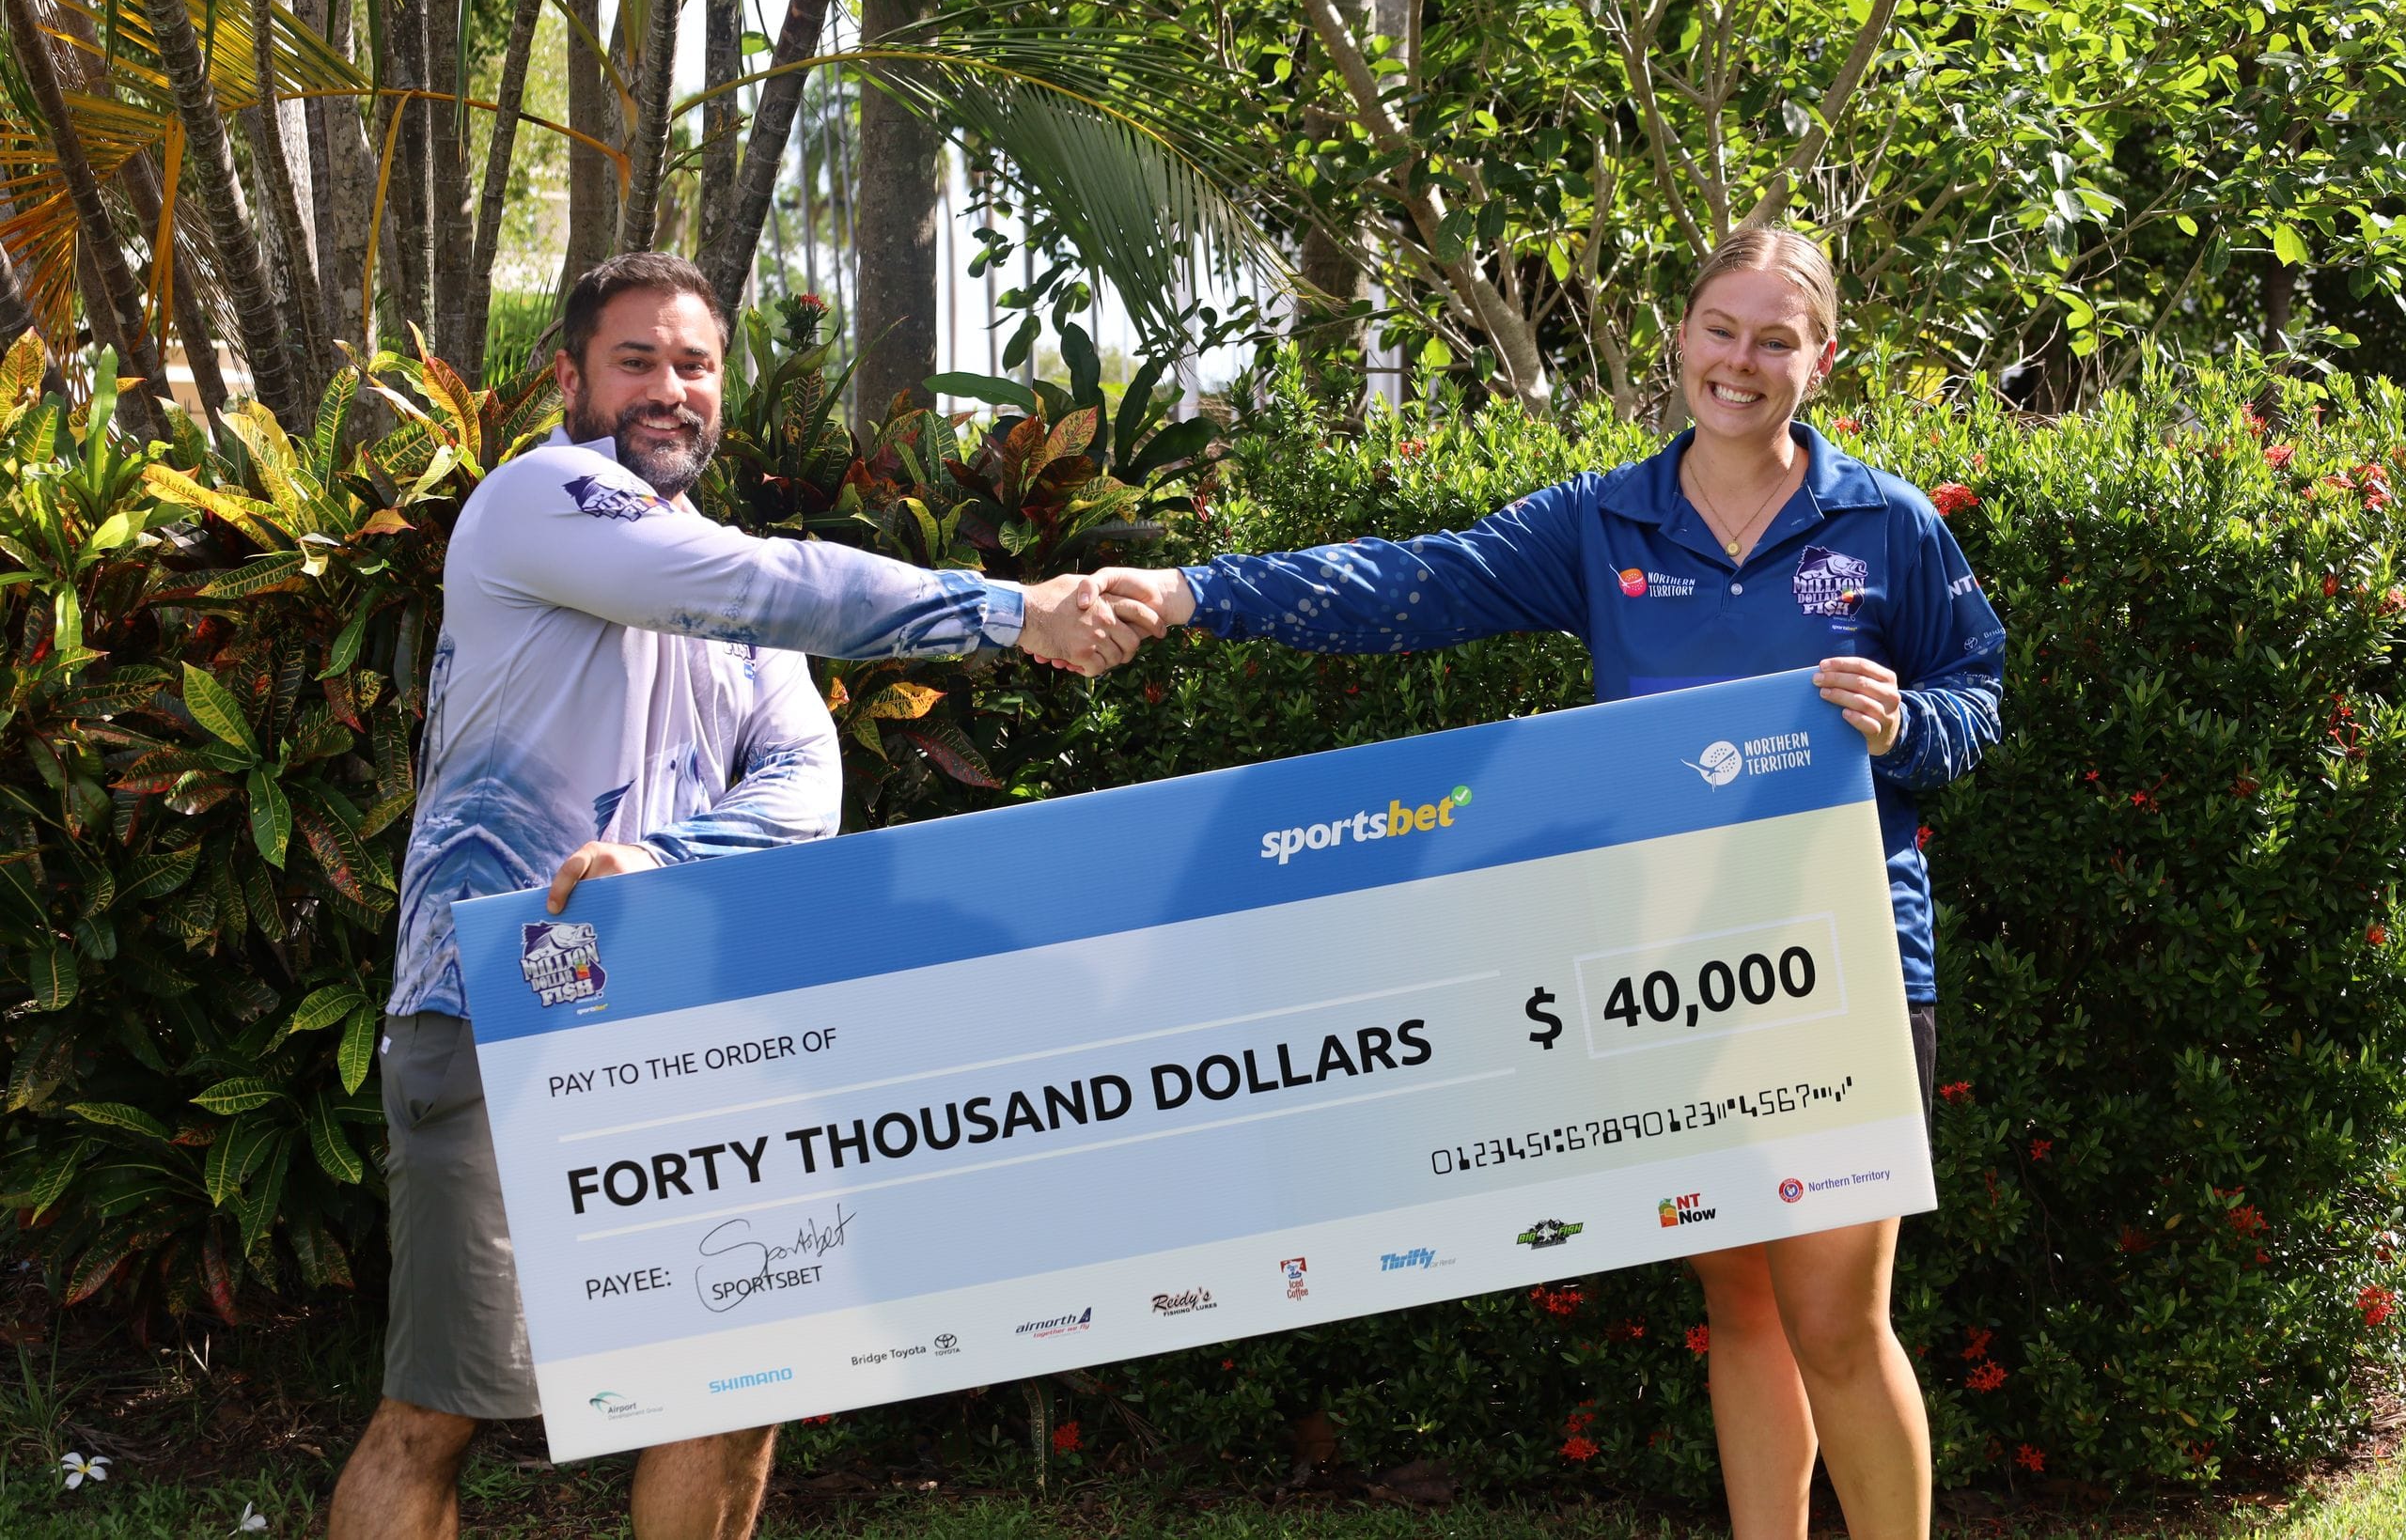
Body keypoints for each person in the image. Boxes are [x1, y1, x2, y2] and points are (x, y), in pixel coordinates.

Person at [1091, 226, 2004, 1540]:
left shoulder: (1885, 523)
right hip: (1672, 968)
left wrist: (1906, 724)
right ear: (1681, 337)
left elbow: (1975, 696)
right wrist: (1192, 593)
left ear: (1821, 358)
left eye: (1776, 339)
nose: (1741, 361)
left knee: (1836, 1321)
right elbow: (1413, 584)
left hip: (1843, 955)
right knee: (1741, 1305)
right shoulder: (1602, 520)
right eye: (1721, 329)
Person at [326, 252, 1151, 1540]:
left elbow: (804, 781)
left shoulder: (714, 569)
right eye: (636, 362)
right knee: (442, 1412)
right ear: (570, 379)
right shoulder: (537, 499)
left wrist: (659, 864)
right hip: (499, 1003)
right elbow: (756, 588)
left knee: (733, 1389)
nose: (670, 389)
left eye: (695, 364)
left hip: (694, 1023)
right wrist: (1012, 612)